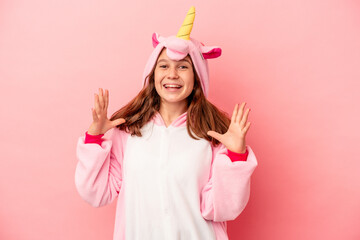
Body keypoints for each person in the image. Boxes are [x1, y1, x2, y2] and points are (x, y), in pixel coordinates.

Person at [75, 6, 258, 240]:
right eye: (164, 66)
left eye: (183, 66)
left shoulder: (213, 136)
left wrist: (235, 156)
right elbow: (95, 193)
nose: (172, 74)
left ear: (197, 78)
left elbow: (223, 208)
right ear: (152, 75)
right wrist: (93, 140)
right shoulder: (128, 132)